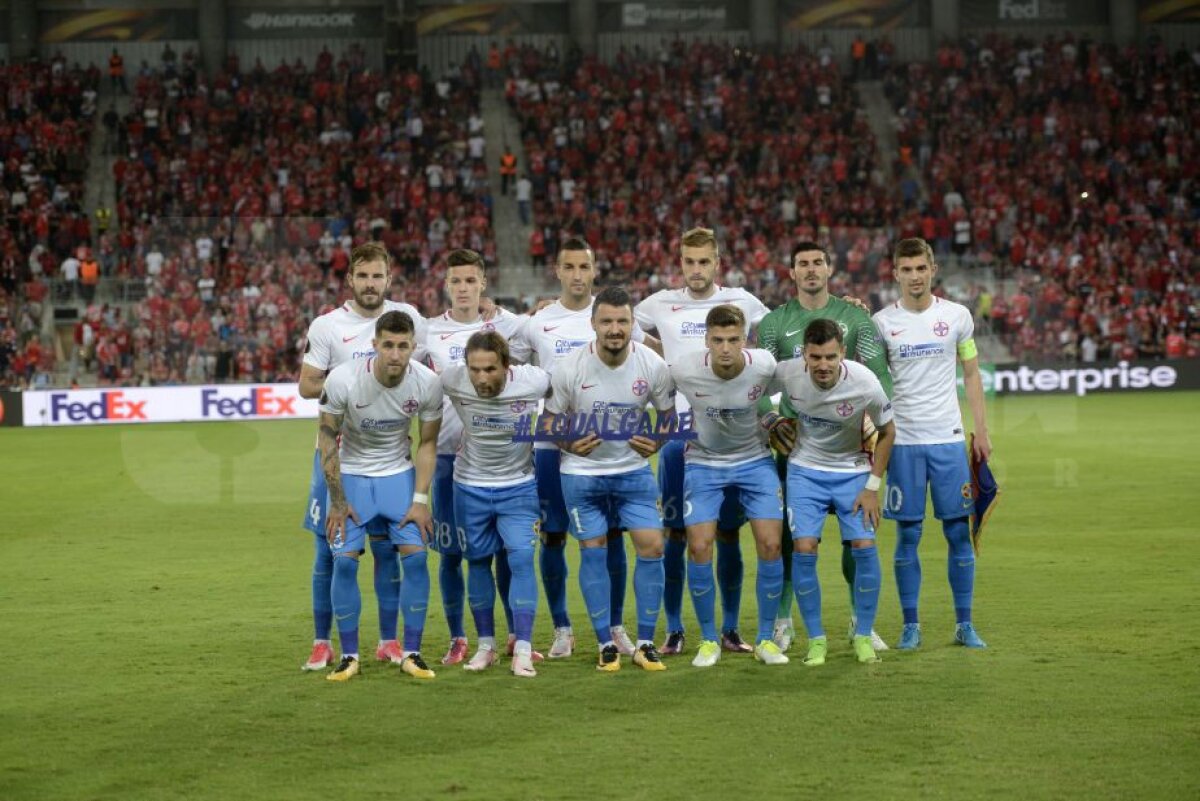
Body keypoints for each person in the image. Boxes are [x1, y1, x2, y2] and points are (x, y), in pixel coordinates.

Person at [634, 227, 769, 656]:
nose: (696, 269)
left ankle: (729, 629)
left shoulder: (742, 300)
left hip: (732, 434)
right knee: (678, 535)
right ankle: (675, 628)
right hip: (678, 435)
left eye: (703, 261)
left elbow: (781, 332)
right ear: (680, 262)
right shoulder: (660, 303)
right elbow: (612, 321)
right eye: (689, 261)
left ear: (717, 261)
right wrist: (662, 352)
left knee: (729, 535)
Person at [523, 237, 658, 659]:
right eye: (570, 267)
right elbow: (506, 362)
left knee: (612, 538)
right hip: (555, 448)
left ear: (594, 270)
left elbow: (656, 359)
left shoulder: (616, 314)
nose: (578, 275)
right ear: (558, 271)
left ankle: (614, 627)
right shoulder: (535, 321)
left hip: (613, 454)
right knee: (554, 537)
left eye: (585, 267)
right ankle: (563, 628)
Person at [297, 242, 427, 672]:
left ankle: (388, 642)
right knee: (328, 551)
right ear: (350, 279)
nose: (370, 284)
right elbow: (306, 385)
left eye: (378, 276)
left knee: (389, 550)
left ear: (389, 279)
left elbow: (421, 375)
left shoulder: (409, 319)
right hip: (339, 457)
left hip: (390, 460)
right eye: (363, 276)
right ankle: (322, 642)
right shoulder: (328, 326)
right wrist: (353, 381)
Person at [756, 241, 892, 652]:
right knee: (787, 538)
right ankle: (784, 622)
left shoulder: (855, 319)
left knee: (858, 538)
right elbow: (759, 383)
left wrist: (870, 422)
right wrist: (772, 420)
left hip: (851, 447)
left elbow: (878, 375)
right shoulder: (774, 324)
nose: (811, 269)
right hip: (794, 448)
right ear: (792, 272)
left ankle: (858, 620)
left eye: (818, 262)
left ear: (830, 269)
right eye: (803, 264)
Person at [545, 285, 674, 672]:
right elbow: (549, 421)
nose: (614, 329)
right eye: (607, 321)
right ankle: (605, 643)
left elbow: (667, 417)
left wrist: (657, 440)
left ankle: (647, 642)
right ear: (593, 324)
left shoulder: (652, 365)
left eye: (622, 321)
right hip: (582, 475)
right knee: (593, 550)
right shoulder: (570, 367)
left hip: (633, 473)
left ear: (633, 324)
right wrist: (568, 441)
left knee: (652, 547)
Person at [872, 237, 991, 649]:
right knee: (907, 535)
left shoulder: (957, 317)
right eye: (906, 269)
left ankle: (964, 624)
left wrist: (982, 431)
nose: (914, 276)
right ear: (895, 273)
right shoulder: (882, 322)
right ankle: (911, 625)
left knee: (959, 532)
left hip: (948, 440)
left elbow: (972, 373)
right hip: (903, 442)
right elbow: (874, 383)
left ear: (933, 269)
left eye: (920, 268)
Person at [317, 310, 442, 681]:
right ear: (374, 345)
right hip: (353, 476)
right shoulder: (343, 380)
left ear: (413, 348)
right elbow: (327, 438)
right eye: (387, 345)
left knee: (417, 559)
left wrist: (420, 501)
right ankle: (350, 656)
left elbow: (429, 441)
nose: (395, 353)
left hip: (398, 478)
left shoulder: (428, 383)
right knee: (343, 562)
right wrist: (338, 499)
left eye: (403, 346)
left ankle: (412, 652)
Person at [424, 249, 532, 666]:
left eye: (471, 280)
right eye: (456, 281)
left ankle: (509, 635)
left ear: (483, 283)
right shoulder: (429, 331)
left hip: (502, 463)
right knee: (454, 554)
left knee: (508, 553)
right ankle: (458, 637)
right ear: (446, 284)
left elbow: (541, 344)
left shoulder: (509, 327)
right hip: (450, 461)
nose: (464, 288)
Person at [669, 305, 789, 668]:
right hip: (703, 463)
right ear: (706, 340)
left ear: (745, 340)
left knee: (770, 544)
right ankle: (709, 640)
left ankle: (766, 639)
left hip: (754, 461)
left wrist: (779, 420)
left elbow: (800, 387)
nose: (725, 348)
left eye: (733, 339)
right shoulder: (684, 369)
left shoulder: (765, 364)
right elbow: (648, 397)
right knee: (700, 547)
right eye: (717, 340)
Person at [776, 319, 896, 666]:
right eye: (816, 357)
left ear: (842, 352)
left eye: (831, 356)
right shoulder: (787, 373)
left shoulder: (864, 382)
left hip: (853, 472)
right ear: (804, 355)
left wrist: (873, 487)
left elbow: (888, 432)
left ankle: (862, 636)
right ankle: (816, 640)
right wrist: (769, 419)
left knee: (864, 545)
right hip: (805, 472)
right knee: (803, 546)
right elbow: (746, 386)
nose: (824, 365)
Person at [440, 332, 549, 677]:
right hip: (468, 487)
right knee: (477, 563)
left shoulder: (534, 380)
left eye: (490, 369)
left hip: (518, 488)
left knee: (521, 560)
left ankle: (524, 649)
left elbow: (568, 391)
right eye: (475, 370)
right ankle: (485, 646)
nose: (482, 378)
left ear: (507, 365)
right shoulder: (452, 380)